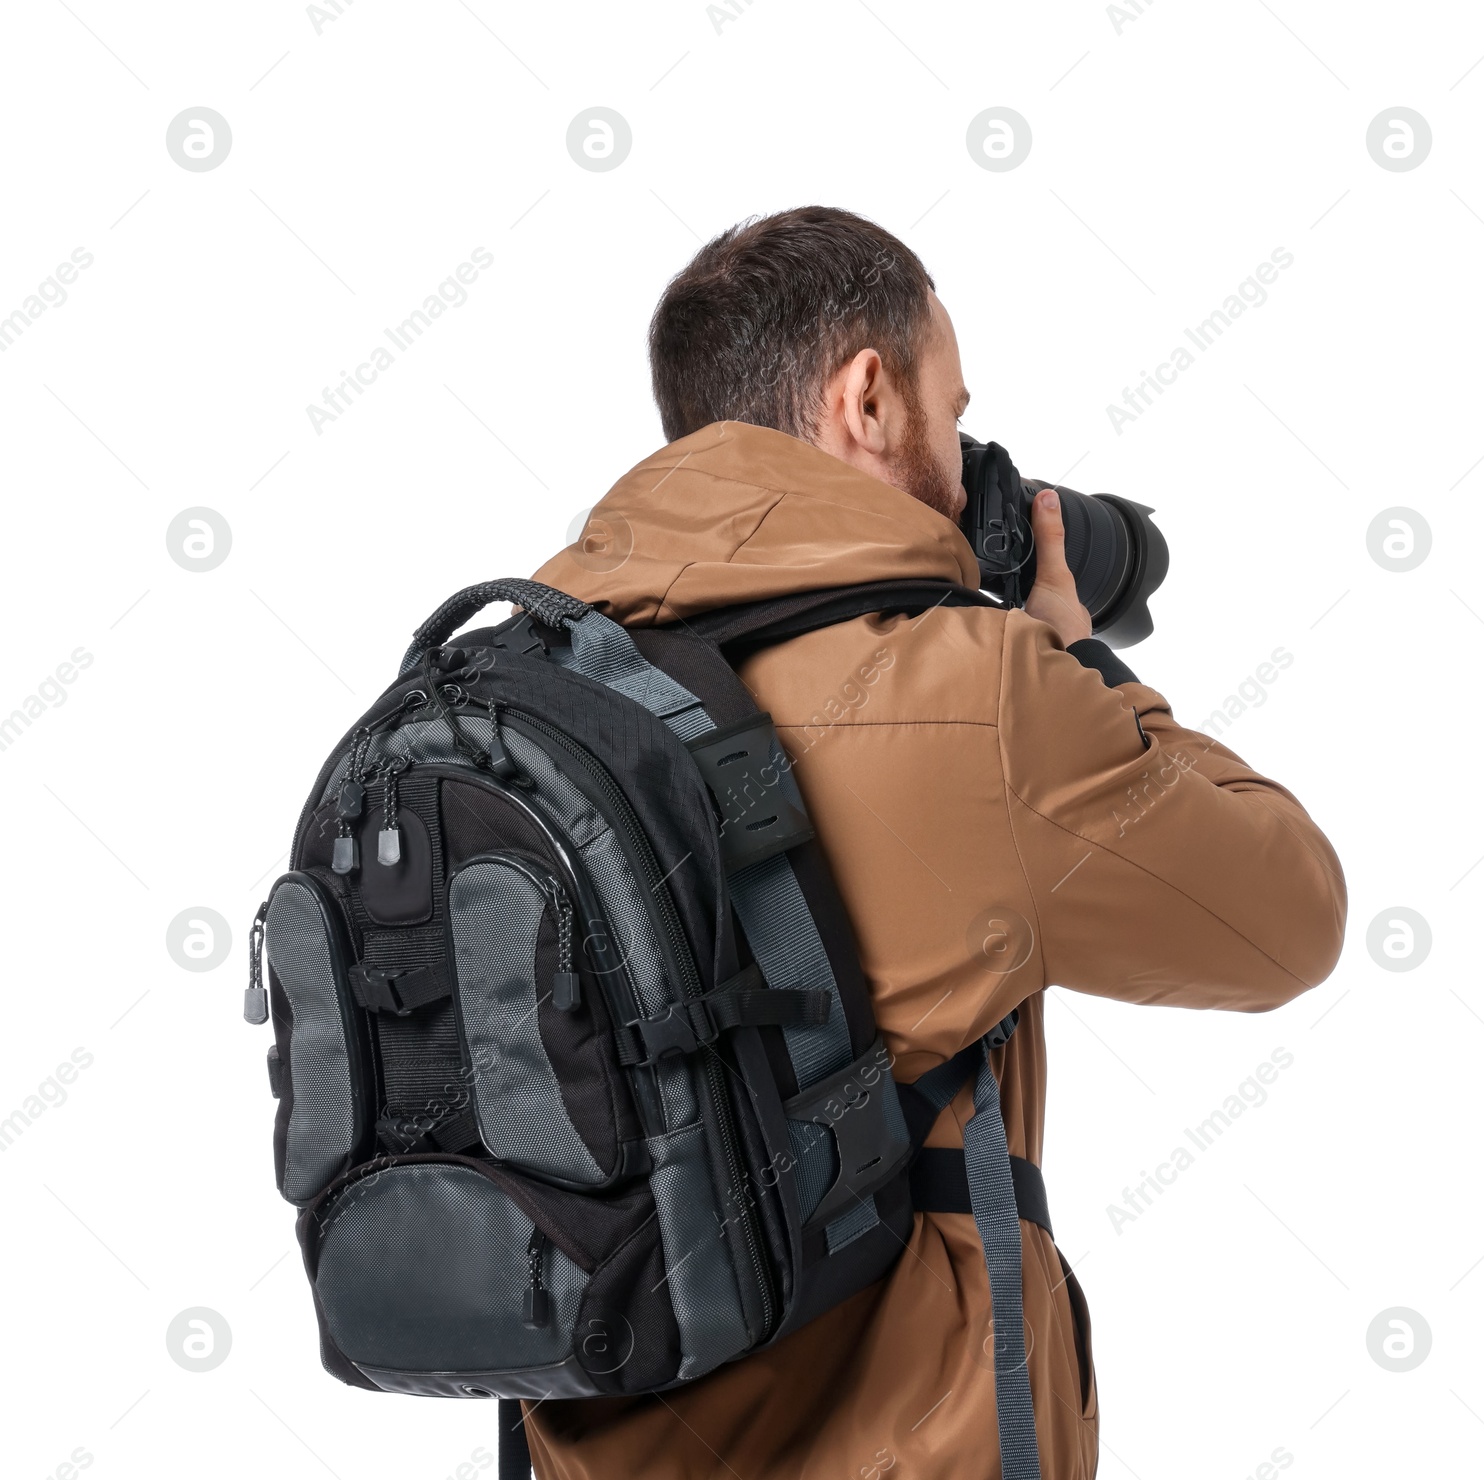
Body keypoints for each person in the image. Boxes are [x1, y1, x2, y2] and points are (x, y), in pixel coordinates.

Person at [524, 206, 1346, 1480]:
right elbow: (1288, 916)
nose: (968, 469)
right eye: (950, 413)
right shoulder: (978, 694)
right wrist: (1074, 658)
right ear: (866, 396)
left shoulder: (532, 685)